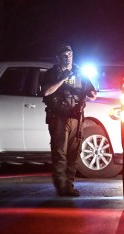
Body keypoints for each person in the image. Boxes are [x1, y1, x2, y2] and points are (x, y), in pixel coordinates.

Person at [41, 44, 97, 197]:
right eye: (64, 55)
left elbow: (91, 92)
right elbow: (46, 91)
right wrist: (63, 78)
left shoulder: (79, 73)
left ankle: (69, 186)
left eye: (70, 54)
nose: (67, 58)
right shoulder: (52, 73)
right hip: (59, 118)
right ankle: (61, 187)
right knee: (60, 154)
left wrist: (92, 93)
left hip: (76, 118)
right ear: (58, 58)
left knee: (74, 154)